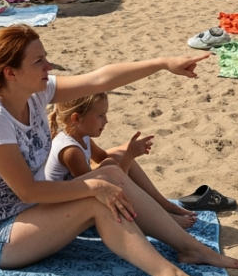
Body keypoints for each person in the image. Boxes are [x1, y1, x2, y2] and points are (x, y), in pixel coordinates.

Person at [0, 25, 238, 276]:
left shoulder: (35, 95)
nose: (49, 66)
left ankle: (191, 249)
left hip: (29, 214)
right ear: (11, 73)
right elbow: (28, 191)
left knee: (111, 174)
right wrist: (93, 188)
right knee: (96, 198)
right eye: (39, 61)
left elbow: (100, 79)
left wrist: (164, 63)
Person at [45, 93, 199, 229]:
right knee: (112, 165)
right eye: (100, 115)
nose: (106, 121)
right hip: (65, 211)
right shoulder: (71, 151)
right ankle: (162, 219)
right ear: (77, 118)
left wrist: (128, 148)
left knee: (113, 159)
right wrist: (129, 155)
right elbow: (97, 191)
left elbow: (102, 156)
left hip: (80, 196)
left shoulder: (79, 135)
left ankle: (163, 205)